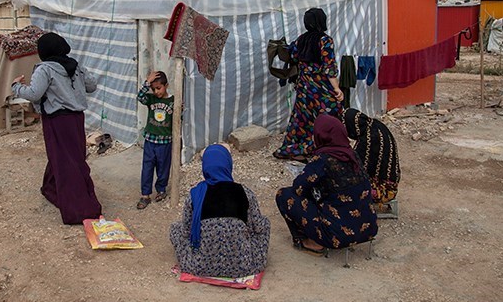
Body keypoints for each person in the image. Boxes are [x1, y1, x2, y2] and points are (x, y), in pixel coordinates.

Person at [11, 32, 102, 225]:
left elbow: (35, 94)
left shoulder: (44, 69)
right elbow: (92, 86)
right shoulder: (75, 65)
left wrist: (16, 87)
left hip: (57, 121)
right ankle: (51, 189)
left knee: (65, 162)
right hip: (77, 119)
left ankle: (80, 209)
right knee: (71, 157)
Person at [275, 114, 378, 254]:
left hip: (337, 236)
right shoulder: (352, 154)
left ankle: (313, 242)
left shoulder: (322, 160)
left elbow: (298, 187)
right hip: (369, 229)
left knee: (284, 195)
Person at [170, 144, 270, 277]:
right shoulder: (245, 192)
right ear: (228, 164)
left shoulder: (195, 195)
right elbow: (258, 227)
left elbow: (185, 231)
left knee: (175, 229)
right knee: (264, 223)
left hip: (198, 266)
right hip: (244, 266)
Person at [273, 7, 344, 161]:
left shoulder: (301, 39)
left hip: (304, 86)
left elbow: (294, 57)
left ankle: (291, 148)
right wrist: (337, 88)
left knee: (302, 118)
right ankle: (320, 148)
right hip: (320, 88)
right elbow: (329, 67)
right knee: (329, 116)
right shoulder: (325, 40)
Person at [343, 107, 401, 206]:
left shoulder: (369, 140)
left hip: (383, 190)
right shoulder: (375, 125)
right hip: (390, 182)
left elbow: (357, 167)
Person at [136, 70, 174, 209]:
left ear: (166, 85)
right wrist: (146, 83)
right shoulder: (151, 99)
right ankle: (145, 195)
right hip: (150, 141)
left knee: (163, 168)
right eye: (153, 89)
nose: (156, 92)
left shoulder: (173, 101)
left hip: (165, 142)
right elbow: (140, 97)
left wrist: (180, 111)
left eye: (159, 88)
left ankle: (161, 189)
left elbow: (179, 119)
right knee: (147, 167)